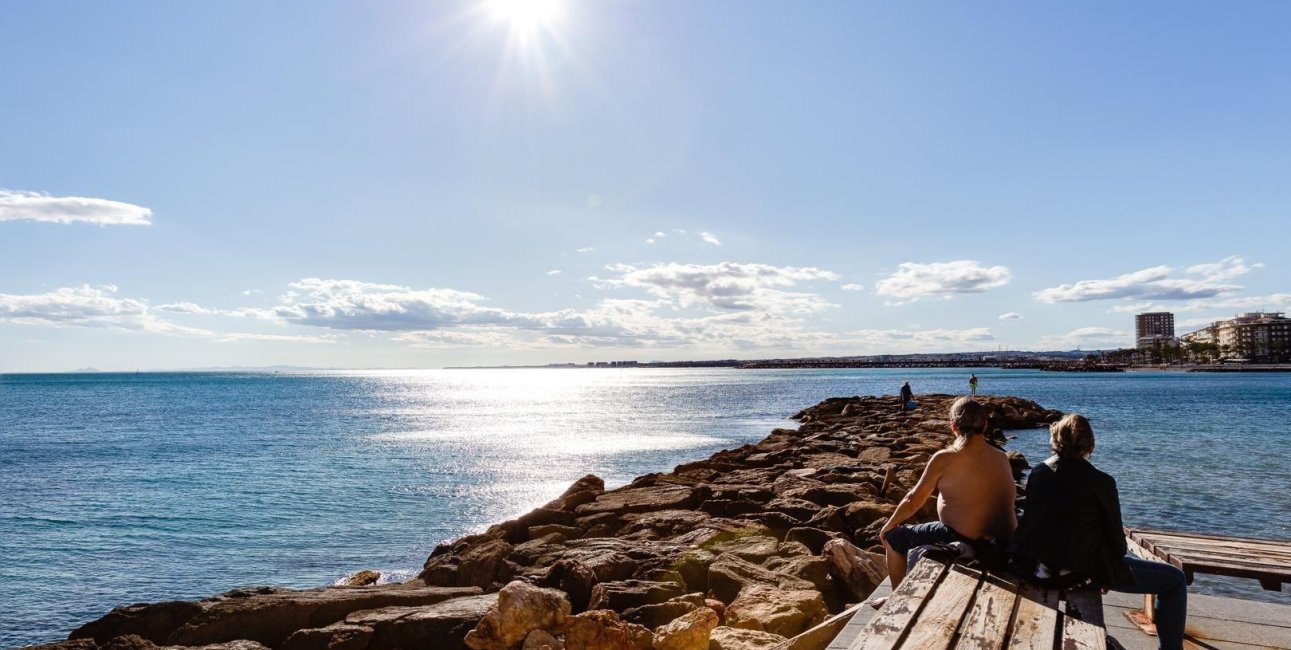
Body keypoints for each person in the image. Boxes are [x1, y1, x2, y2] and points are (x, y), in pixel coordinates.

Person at [1010, 414, 1188, 650]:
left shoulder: (1039, 472)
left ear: (1055, 440)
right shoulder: (1102, 482)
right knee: (1175, 580)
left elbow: (1035, 524)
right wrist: (1104, 573)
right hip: (1078, 573)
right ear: (1090, 445)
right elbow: (1117, 545)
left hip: (1038, 568)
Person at [879, 397, 1017, 587]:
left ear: (953, 426)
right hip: (1002, 541)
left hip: (966, 539)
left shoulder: (945, 457)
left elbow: (914, 499)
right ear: (984, 425)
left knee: (893, 539)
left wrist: (890, 524)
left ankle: (896, 596)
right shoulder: (1001, 457)